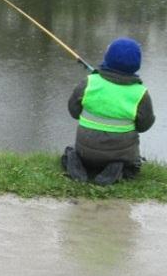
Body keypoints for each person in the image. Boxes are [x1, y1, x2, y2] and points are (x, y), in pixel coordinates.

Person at [62, 37, 155, 186]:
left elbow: (73, 111)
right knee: (134, 163)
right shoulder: (140, 93)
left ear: (107, 58)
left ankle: (76, 162)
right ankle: (118, 167)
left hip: (86, 153)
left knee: (71, 150)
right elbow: (144, 126)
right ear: (137, 64)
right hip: (121, 154)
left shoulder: (89, 82)